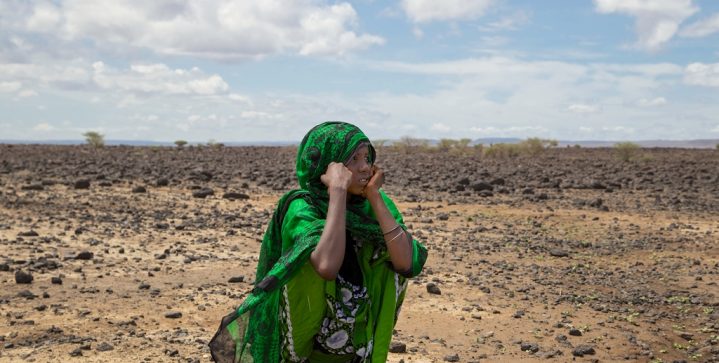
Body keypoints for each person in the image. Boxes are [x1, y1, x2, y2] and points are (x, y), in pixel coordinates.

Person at [209, 121, 428, 363]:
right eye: (353, 159)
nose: (365, 167)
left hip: (357, 346)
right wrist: (338, 192)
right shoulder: (302, 207)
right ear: (327, 166)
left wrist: (375, 198)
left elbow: (406, 263)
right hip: (305, 348)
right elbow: (326, 266)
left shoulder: (372, 205)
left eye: (367, 157)